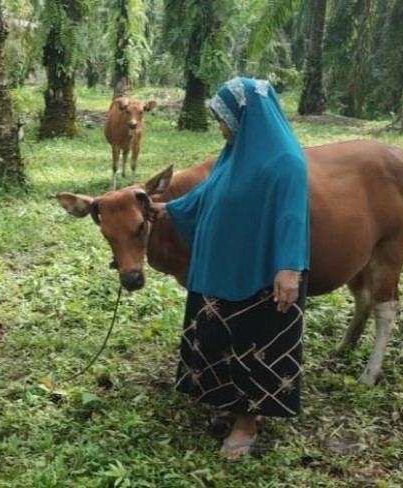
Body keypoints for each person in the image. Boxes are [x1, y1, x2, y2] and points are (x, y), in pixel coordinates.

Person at [157, 77, 310, 462]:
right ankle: (227, 400)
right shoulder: (234, 153)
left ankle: (247, 422)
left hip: (258, 275)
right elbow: (207, 194)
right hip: (220, 268)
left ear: (246, 118)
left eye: (224, 120)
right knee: (219, 338)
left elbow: (293, 217)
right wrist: (166, 209)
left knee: (251, 344)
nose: (221, 128)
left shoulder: (285, 161)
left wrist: (289, 268)